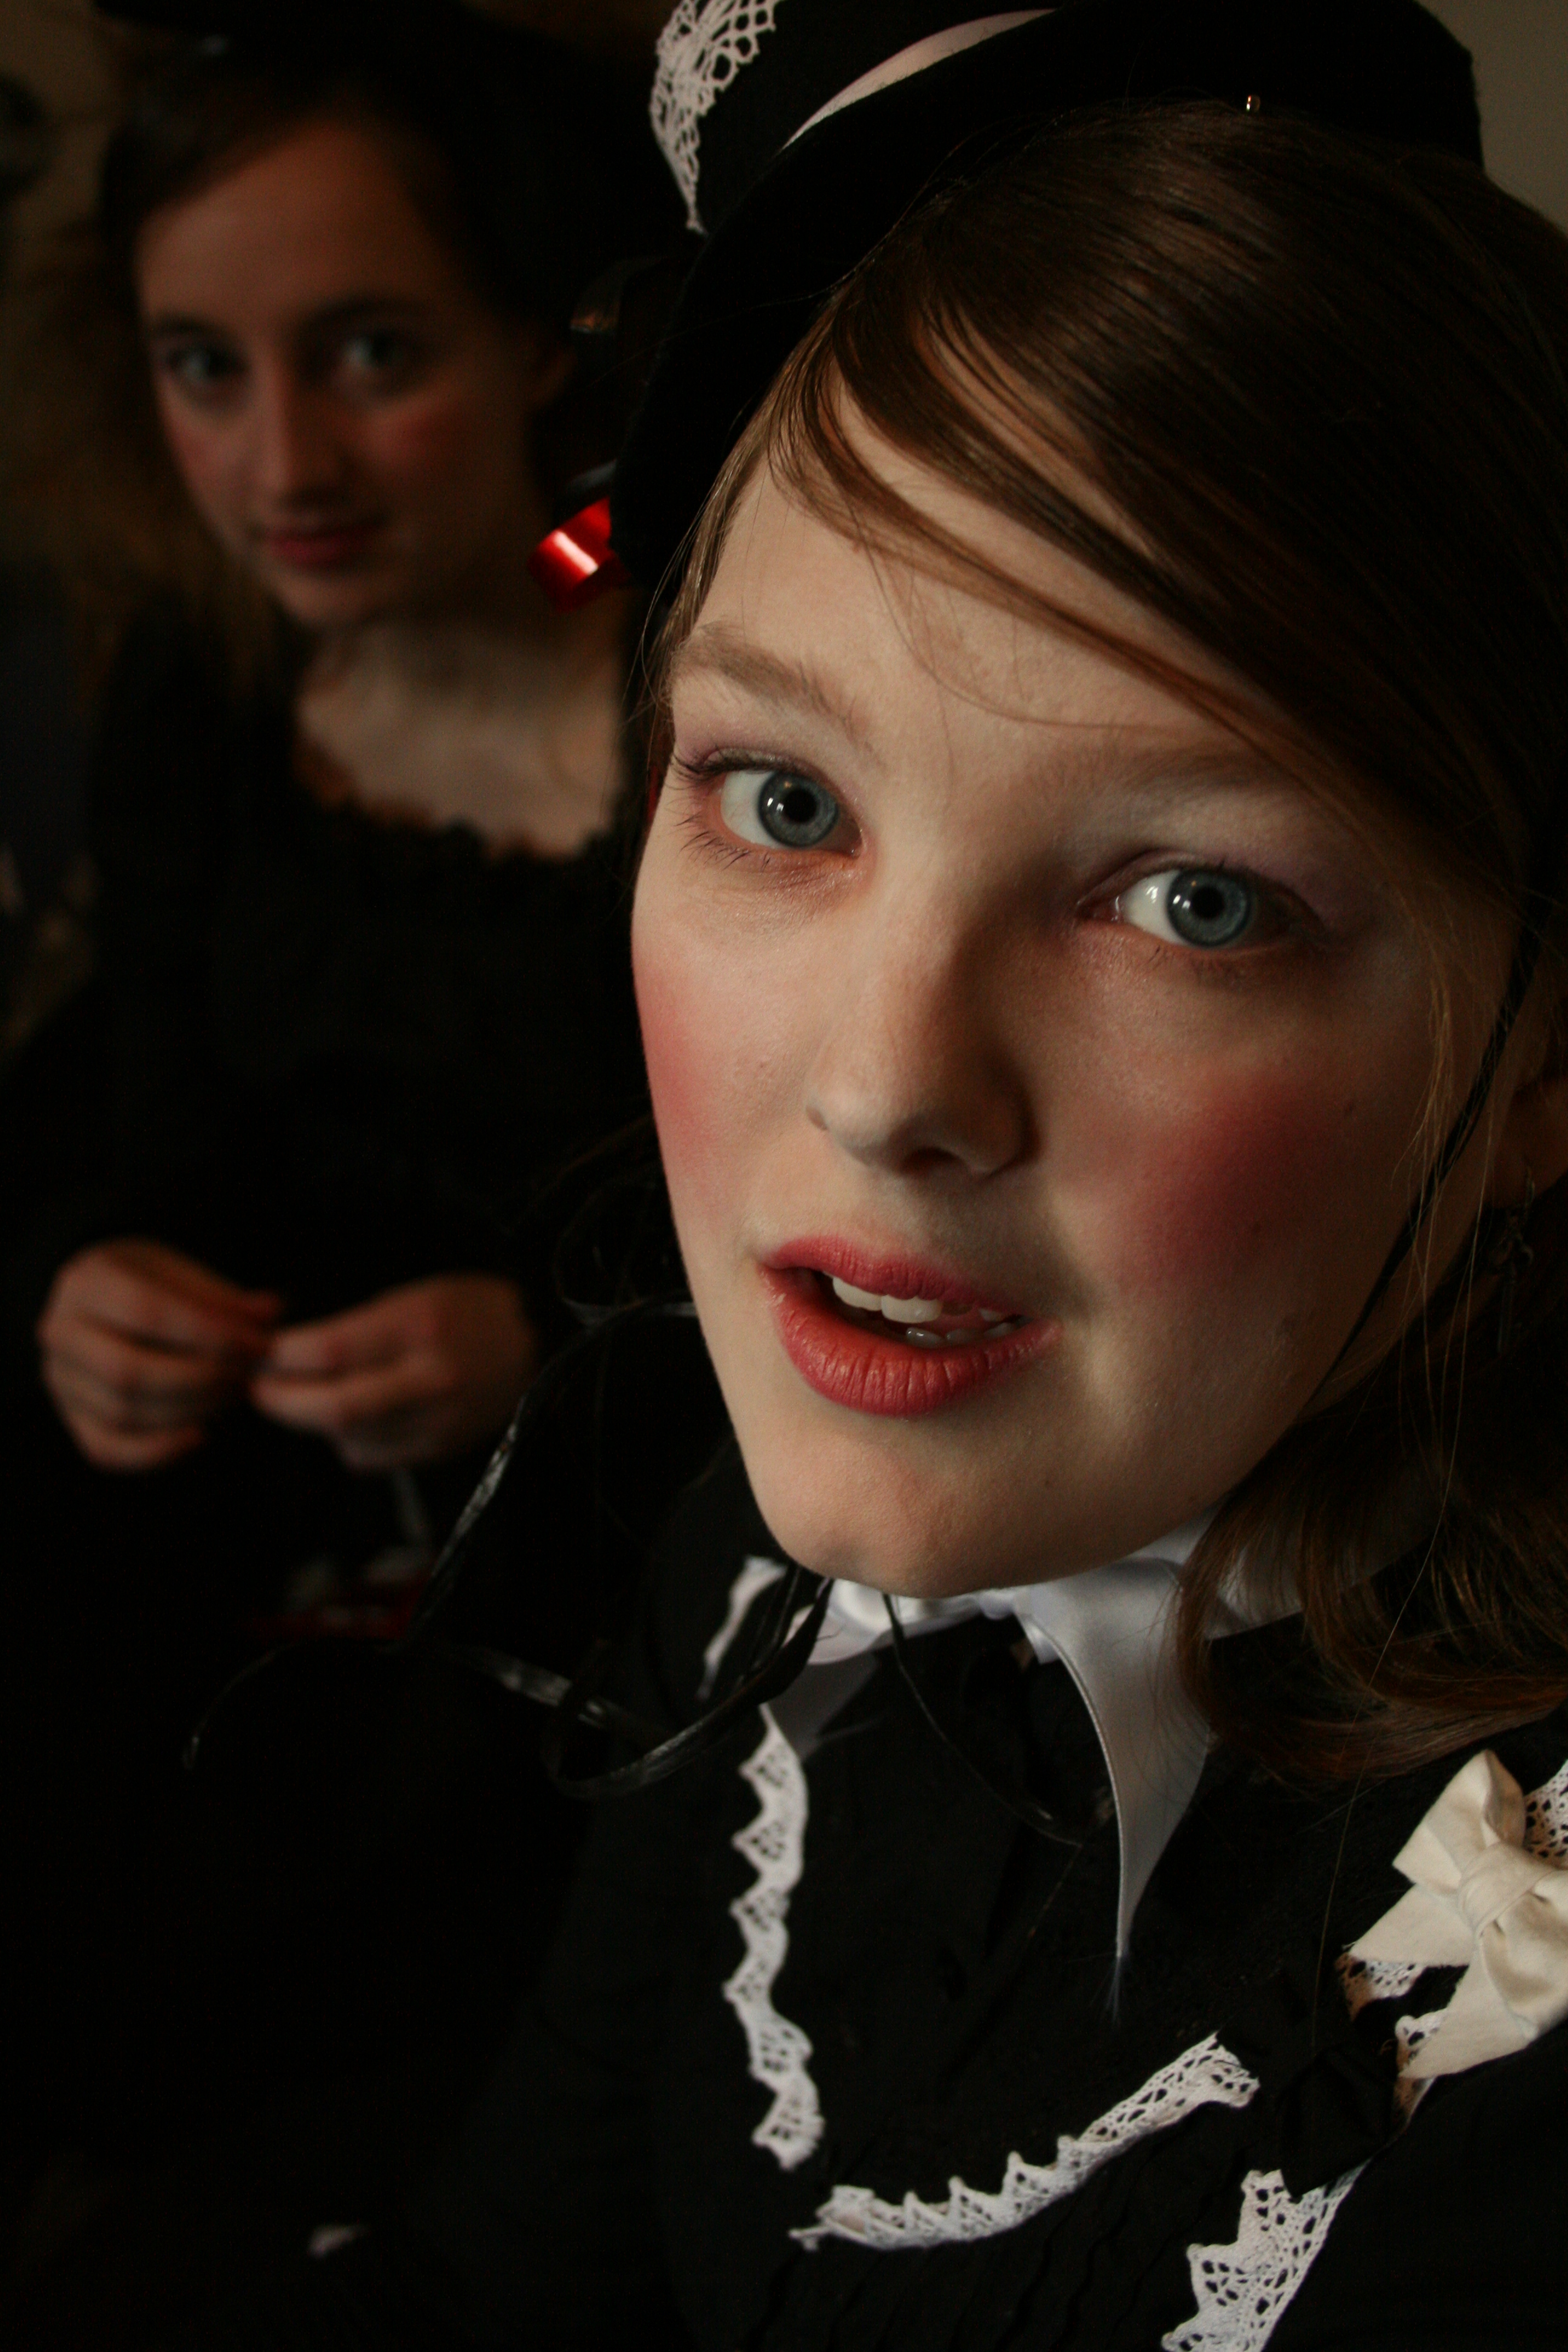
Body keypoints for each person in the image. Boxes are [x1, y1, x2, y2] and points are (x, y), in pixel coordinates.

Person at [193, 3, 1568, 2347]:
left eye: (1195, 900)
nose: (879, 1086)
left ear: (1541, 1053)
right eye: (787, 800)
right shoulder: (753, 1567)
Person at [0, 0, 678, 2255]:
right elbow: (145, 1128)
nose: (280, 459)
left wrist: (547, 1356)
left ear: (542, 342)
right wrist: (87, 1286)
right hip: (223, 1522)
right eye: (205, 367)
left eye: (371, 352)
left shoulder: (704, 728)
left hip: (599, 1552)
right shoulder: (215, 683)